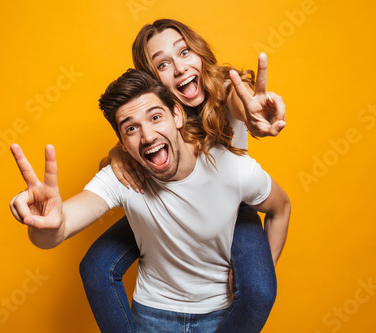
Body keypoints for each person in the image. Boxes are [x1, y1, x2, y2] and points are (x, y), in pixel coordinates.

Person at [9, 69, 290, 332]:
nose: (147, 136)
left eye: (156, 117)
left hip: (223, 316)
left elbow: (281, 208)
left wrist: (261, 269)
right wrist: (46, 224)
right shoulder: (123, 177)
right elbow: (56, 232)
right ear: (121, 142)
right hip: (153, 317)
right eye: (131, 129)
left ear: (177, 115)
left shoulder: (233, 169)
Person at [80, 19, 287, 332]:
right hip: (168, 204)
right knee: (96, 267)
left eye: (185, 52)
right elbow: (126, 150)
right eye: (163, 64)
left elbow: (240, 103)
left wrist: (255, 117)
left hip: (228, 204)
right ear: (152, 81)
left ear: (200, 54)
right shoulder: (157, 118)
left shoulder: (228, 89)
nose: (179, 68)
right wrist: (118, 154)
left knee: (258, 289)